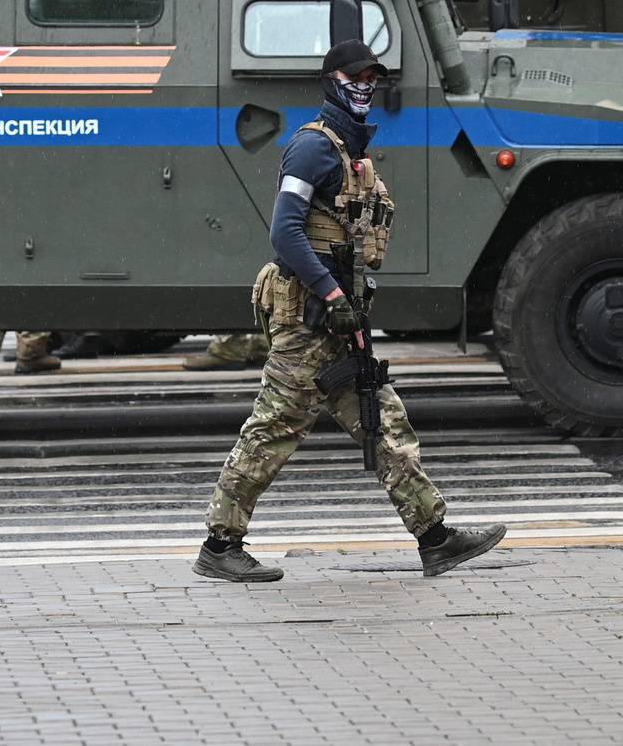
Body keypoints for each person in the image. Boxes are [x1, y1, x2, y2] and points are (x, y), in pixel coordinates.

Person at [194, 40, 505, 582]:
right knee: (272, 430)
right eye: (354, 76)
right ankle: (219, 545)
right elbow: (285, 233)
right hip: (308, 322)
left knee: (382, 421)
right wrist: (332, 295)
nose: (365, 86)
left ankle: (434, 538)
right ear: (330, 80)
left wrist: (346, 304)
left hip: (338, 321)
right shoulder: (313, 148)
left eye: (372, 78)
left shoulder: (349, 150)